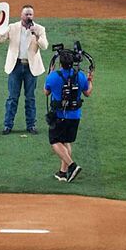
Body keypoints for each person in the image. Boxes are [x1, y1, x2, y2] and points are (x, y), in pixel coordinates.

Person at [0, 5, 48, 135]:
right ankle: (8, 125)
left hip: (31, 67)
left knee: (30, 98)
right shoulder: (12, 27)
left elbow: (45, 46)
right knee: (12, 97)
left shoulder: (39, 29)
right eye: (26, 14)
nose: (28, 17)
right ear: (21, 15)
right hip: (15, 66)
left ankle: (31, 125)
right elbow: (0, 40)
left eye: (30, 15)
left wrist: (37, 35)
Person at [44, 50, 93, 183]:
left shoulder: (53, 76)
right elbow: (87, 92)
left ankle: (72, 166)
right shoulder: (81, 76)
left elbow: (46, 92)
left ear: (61, 63)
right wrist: (90, 79)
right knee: (66, 141)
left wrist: (49, 73)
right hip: (75, 116)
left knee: (54, 141)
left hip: (60, 115)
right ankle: (63, 173)